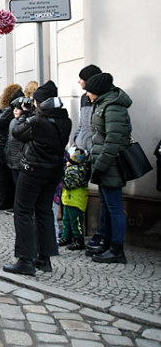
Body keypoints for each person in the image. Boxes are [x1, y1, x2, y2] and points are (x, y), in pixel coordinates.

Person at [3, 80, 71, 275]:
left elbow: (17, 132)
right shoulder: (65, 120)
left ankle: (25, 259)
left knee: (23, 211)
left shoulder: (37, 121)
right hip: (54, 171)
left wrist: (25, 114)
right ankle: (45, 258)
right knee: (44, 211)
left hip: (33, 170)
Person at [84, 72, 132, 264]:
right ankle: (107, 243)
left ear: (98, 91)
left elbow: (113, 141)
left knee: (115, 208)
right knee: (107, 206)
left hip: (111, 166)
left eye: (89, 90)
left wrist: (100, 167)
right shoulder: (103, 105)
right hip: (103, 165)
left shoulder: (113, 107)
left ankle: (117, 250)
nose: (87, 94)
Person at [0, 84, 23, 211]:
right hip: (8, 146)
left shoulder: (8, 110)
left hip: (6, 145)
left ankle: (6, 202)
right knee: (8, 178)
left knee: (6, 178)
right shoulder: (13, 110)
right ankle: (8, 202)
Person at [59, 148, 89, 251]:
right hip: (68, 200)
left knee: (76, 222)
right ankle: (66, 237)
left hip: (75, 201)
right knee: (66, 220)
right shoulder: (75, 169)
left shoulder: (77, 171)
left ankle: (79, 240)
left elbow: (68, 183)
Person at [72, 65, 101, 153]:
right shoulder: (84, 98)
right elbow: (82, 123)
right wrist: (77, 139)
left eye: (81, 79)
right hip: (82, 151)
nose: (79, 81)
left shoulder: (101, 99)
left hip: (95, 153)